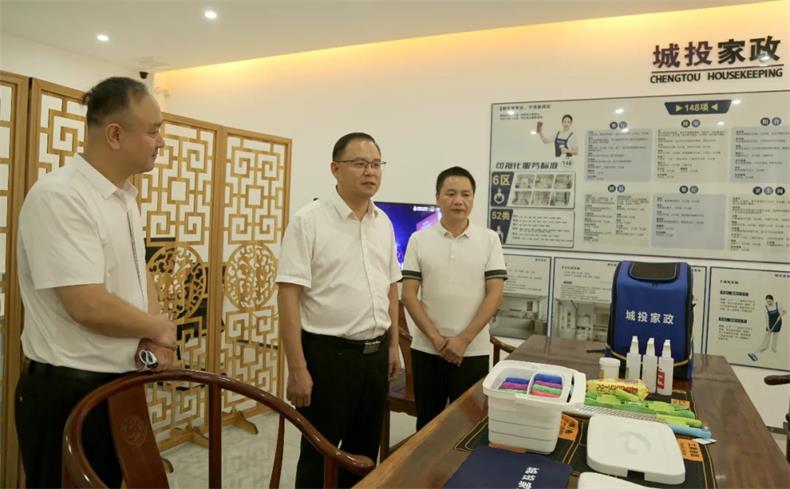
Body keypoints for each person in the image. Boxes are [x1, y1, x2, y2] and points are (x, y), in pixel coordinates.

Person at [14, 77, 177, 488]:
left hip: (119, 384)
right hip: (69, 391)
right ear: (115, 134)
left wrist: (152, 333)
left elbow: (139, 272)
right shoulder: (60, 196)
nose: (161, 142)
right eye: (153, 131)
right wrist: (159, 327)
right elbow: (86, 304)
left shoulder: (125, 197)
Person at [276, 132, 401, 488]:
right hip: (328, 358)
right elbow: (288, 295)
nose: (370, 171)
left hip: (374, 358)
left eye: (375, 164)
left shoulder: (383, 222)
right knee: (320, 457)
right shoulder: (309, 221)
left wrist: (393, 346)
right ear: (335, 169)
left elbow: (391, 287)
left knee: (363, 457)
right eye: (360, 163)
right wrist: (297, 368)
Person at [401, 166, 507, 429]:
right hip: (427, 350)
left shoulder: (489, 240)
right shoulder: (419, 239)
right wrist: (438, 341)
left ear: (473, 199)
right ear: (438, 197)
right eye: (450, 194)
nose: (458, 200)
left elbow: (495, 294)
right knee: (427, 425)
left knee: (467, 426)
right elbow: (409, 295)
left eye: (465, 194)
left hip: (473, 350)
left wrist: (463, 340)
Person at [748, 294, 786, 362]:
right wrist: (768, 327)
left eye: (769, 301)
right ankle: (755, 353)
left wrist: (780, 316)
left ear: (772, 300)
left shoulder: (778, 304)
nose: (768, 303)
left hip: (777, 323)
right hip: (770, 324)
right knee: (766, 342)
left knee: (775, 338)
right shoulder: (766, 307)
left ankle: (774, 351)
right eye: (767, 301)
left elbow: (784, 311)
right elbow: (767, 318)